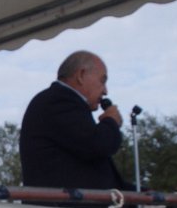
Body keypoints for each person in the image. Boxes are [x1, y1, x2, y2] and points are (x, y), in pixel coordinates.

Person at [19, 50, 133, 194]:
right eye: (102, 81)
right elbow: (98, 145)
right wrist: (111, 121)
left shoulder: (62, 102)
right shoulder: (59, 101)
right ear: (81, 75)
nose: (105, 91)